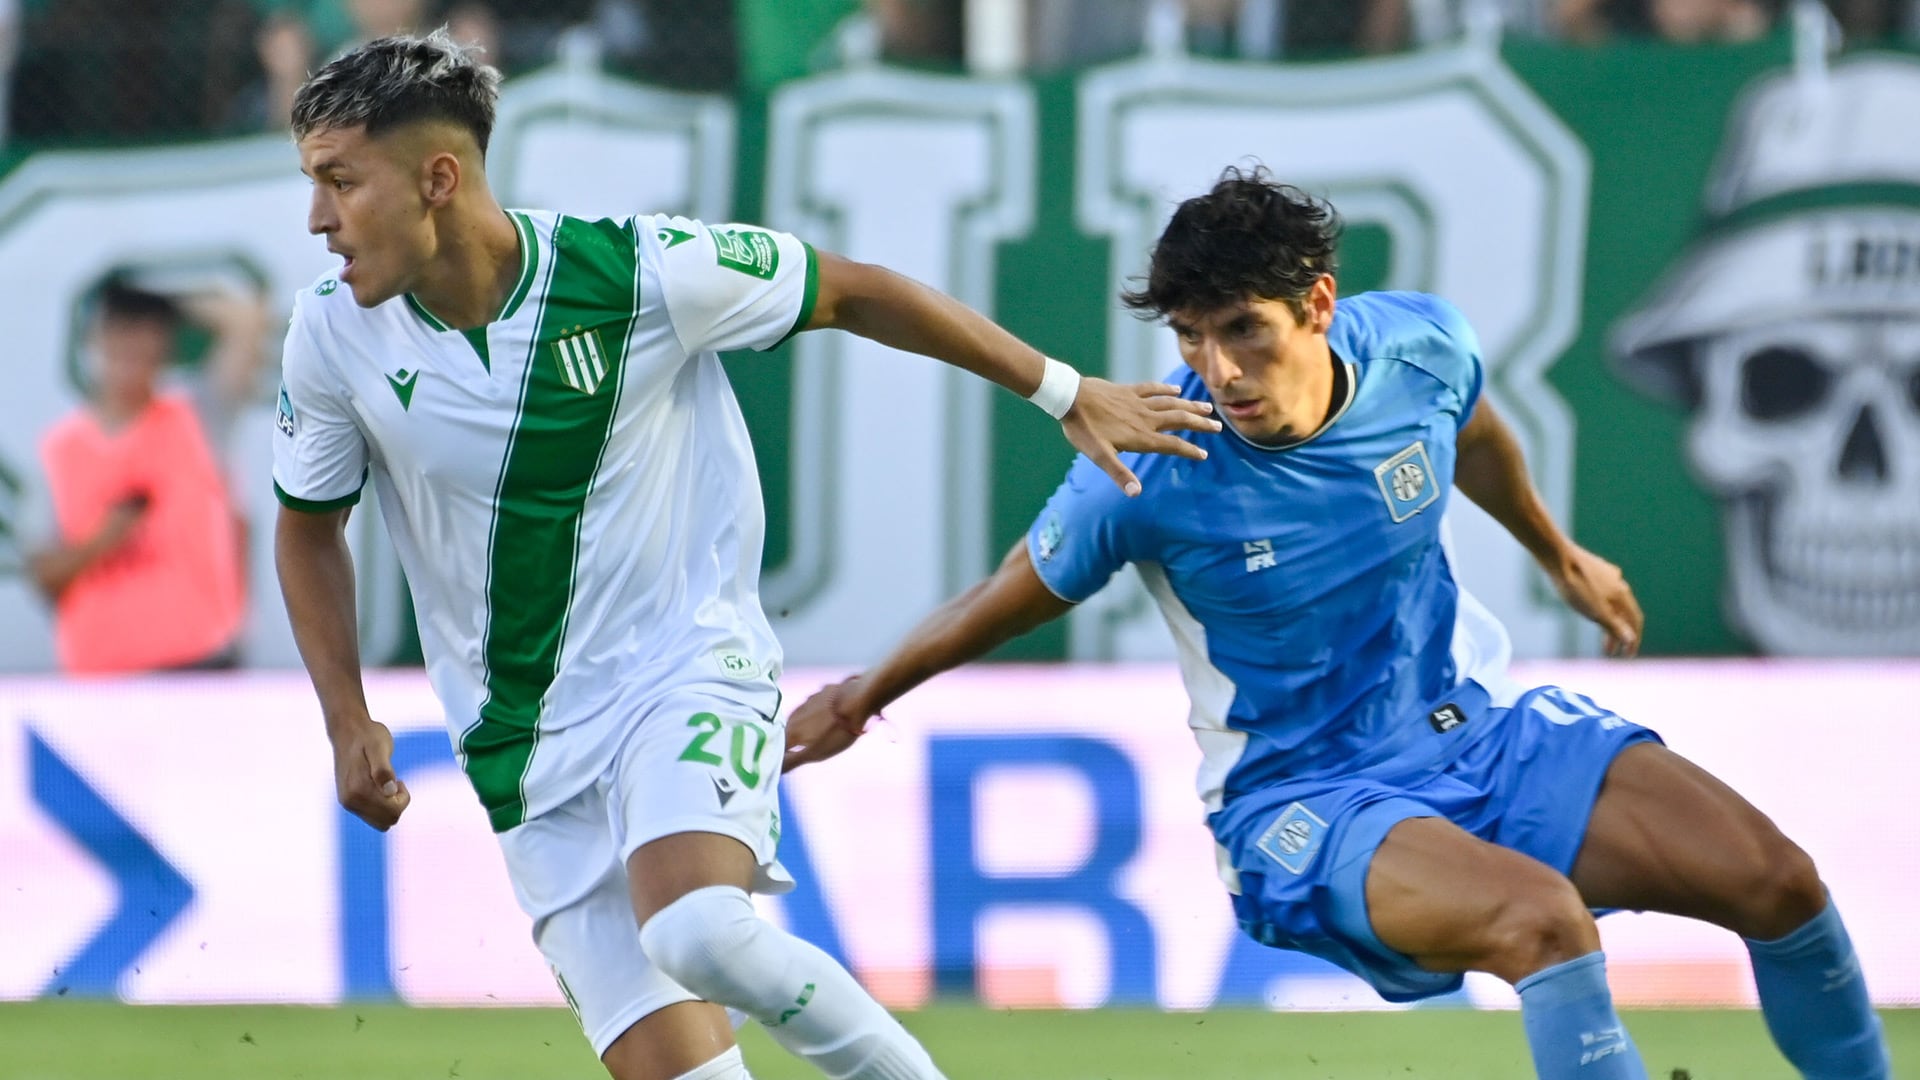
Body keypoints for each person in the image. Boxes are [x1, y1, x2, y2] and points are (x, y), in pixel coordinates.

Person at [785, 168, 1894, 1080]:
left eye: (1244, 333)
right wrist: (859, 697)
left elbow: (1472, 431)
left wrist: (1556, 552)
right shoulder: (1157, 462)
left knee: (1779, 882)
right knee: (1543, 923)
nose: (1219, 372)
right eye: (1192, 338)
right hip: (1303, 802)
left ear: (1317, 305)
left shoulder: (1420, 348)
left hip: (1479, 736)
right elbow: (1003, 595)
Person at [271, 29, 1215, 1080]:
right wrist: (345, 716)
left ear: (438, 179)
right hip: (520, 747)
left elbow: (856, 289)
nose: (318, 219)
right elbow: (310, 525)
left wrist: (1062, 388)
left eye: (340, 183)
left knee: (701, 932)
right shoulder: (330, 337)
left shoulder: (636, 271)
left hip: (681, 668)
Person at [28, 279, 260, 673]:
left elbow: (245, 322)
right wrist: (103, 540)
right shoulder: (59, 449)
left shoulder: (198, 417)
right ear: (96, 341)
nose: (132, 348)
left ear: (163, 347)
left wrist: (162, 301)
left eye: (145, 334)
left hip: (200, 660)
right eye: (120, 331)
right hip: (103, 672)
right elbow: (42, 572)